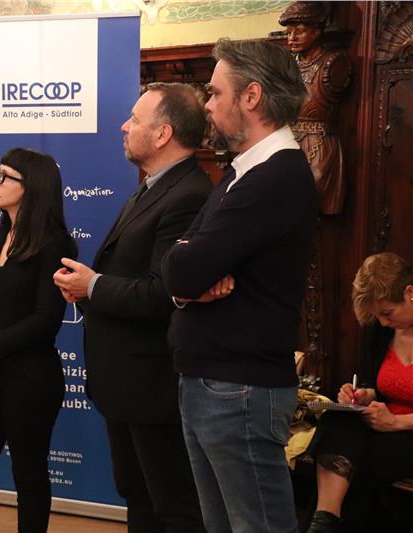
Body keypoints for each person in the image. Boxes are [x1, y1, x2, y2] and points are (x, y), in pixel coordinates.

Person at [161, 38, 316, 533]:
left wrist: (186, 277)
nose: (207, 105)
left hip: (240, 389)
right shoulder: (241, 172)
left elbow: (182, 269)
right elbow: (175, 266)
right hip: (217, 383)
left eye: (215, 93)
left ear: (251, 96)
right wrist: (186, 280)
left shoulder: (275, 177)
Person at [52, 83, 210, 533]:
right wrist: (89, 290)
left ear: (162, 134)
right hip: (128, 381)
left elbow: (164, 293)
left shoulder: (188, 195)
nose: (124, 126)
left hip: (153, 384)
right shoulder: (155, 187)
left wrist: (93, 285)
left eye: (135, 120)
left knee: (172, 508)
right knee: (138, 496)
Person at [0, 148, 77, 533]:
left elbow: (46, 320)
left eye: (4, 176)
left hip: (31, 379)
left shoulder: (55, 244)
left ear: (31, 187)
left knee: (29, 475)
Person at [306, 253, 413, 533]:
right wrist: (364, 394)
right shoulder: (383, 332)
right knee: (336, 420)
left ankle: (324, 524)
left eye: (387, 312)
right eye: (378, 316)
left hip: (407, 429)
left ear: (410, 293)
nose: (383, 322)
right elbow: (379, 383)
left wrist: (396, 422)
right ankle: (325, 519)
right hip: (382, 424)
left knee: (356, 461)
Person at [279, 1, 351, 215]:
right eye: (289, 32)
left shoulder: (333, 63)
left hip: (318, 144)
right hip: (290, 140)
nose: (292, 38)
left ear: (317, 31)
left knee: (310, 206)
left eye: (299, 31)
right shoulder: (290, 65)